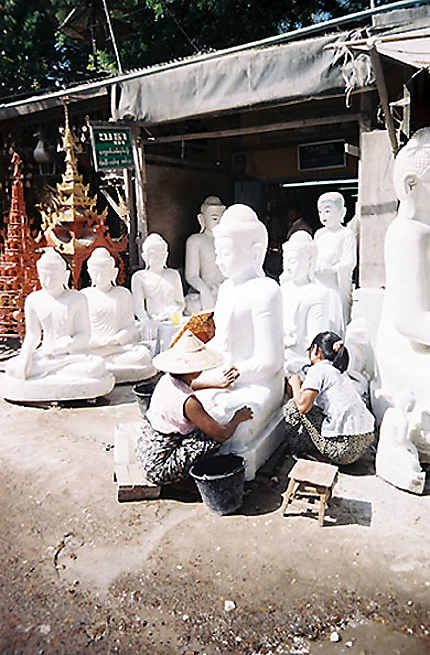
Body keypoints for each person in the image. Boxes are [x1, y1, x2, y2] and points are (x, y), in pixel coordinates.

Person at [135, 330, 253, 486]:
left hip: (147, 451)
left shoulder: (166, 380)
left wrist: (218, 383)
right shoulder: (189, 402)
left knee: (205, 426)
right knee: (210, 439)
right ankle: (185, 479)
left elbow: (190, 385)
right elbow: (222, 434)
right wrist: (238, 417)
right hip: (159, 466)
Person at [1, 248, 114, 401]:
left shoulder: (77, 298)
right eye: (44, 277)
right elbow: (33, 336)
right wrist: (25, 357)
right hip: (45, 355)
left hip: (72, 356)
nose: (47, 282)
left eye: (52, 277)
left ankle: (49, 377)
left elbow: (85, 335)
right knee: (13, 367)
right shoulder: (34, 300)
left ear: (65, 276)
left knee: (95, 367)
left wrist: (66, 345)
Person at [283, 331, 375, 465]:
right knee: (313, 410)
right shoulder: (338, 372)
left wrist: (295, 383)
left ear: (315, 350)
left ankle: (299, 452)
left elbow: (302, 406)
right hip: (363, 443)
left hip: (343, 450)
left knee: (292, 407)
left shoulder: (318, 369)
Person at [81, 247, 155, 383]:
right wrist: (95, 342)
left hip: (118, 348)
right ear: (89, 273)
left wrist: (116, 339)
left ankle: (103, 371)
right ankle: (101, 368)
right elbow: (80, 332)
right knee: (85, 362)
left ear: (114, 273)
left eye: (103, 273)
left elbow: (130, 327)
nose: (99, 277)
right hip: (94, 350)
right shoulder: (84, 296)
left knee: (143, 356)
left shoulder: (122, 294)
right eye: (95, 273)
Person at [281, 231, 344, 376]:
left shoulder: (318, 294)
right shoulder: (282, 290)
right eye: (285, 261)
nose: (288, 267)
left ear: (309, 261)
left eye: (293, 261)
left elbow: (316, 344)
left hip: (300, 361)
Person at [314, 192, 356, 327]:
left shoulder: (346, 234)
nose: (323, 215)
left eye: (327, 211)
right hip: (318, 283)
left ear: (341, 212)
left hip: (335, 286)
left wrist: (332, 269)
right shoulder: (319, 234)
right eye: (320, 212)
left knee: (335, 322)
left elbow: (349, 262)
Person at [184, 195, 226, 312]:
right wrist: (204, 291)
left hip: (225, 290)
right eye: (215, 219)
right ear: (201, 219)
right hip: (205, 293)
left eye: (222, 219)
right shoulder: (195, 240)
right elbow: (192, 275)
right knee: (192, 305)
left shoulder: (229, 241)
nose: (219, 223)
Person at [131, 233, 185, 323]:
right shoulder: (139, 277)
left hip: (173, 320)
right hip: (154, 321)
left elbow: (181, 303)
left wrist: (174, 313)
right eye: (153, 254)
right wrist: (147, 321)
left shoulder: (173, 275)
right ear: (145, 257)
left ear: (166, 255)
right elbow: (138, 308)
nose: (158, 258)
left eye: (161, 254)